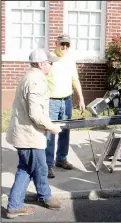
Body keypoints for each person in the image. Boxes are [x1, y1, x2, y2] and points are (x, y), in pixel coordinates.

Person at [6, 48, 62, 219]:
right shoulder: (36, 81)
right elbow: (35, 114)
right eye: (49, 63)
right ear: (40, 64)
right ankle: (43, 197)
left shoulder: (28, 77)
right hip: (30, 135)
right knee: (40, 168)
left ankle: (15, 205)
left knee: (25, 168)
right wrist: (51, 126)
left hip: (23, 133)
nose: (51, 66)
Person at [46, 34, 85, 178]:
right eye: (62, 43)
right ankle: (47, 165)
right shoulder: (49, 59)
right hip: (52, 101)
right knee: (50, 132)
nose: (64, 47)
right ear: (56, 43)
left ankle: (61, 159)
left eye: (67, 45)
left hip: (66, 100)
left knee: (65, 131)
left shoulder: (70, 60)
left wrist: (80, 98)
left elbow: (75, 80)